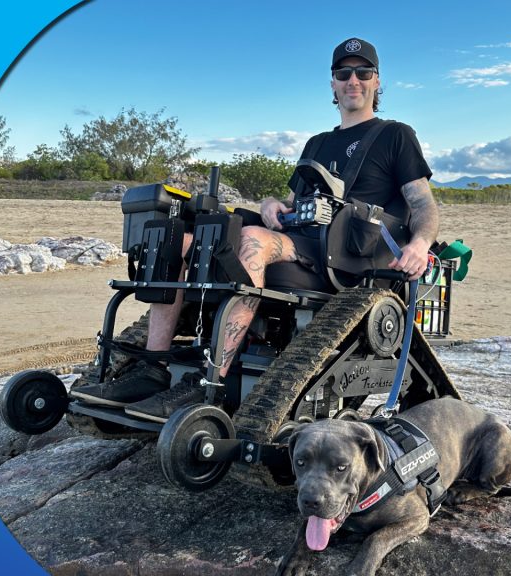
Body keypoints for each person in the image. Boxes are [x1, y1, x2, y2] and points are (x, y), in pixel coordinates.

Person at [70, 37, 440, 423]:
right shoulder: (318, 143)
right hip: (300, 240)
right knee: (176, 240)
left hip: (345, 258)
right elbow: (295, 203)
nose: (353, 81)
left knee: (251, 241)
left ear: (377, 81)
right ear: (332, 82)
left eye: (363, 73)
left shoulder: (396, 135)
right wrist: (270, 205)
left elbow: (422, 203)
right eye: (343, 73)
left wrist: (420, 243)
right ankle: (151, 371)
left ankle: (207, 383)